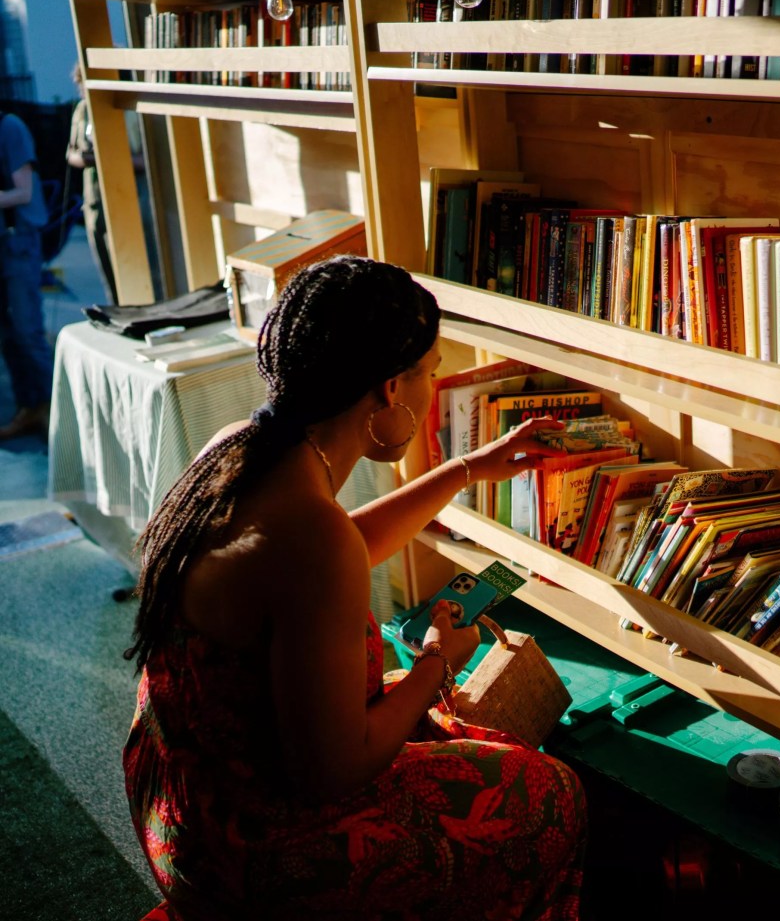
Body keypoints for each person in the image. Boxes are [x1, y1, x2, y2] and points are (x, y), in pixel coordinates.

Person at [123, 255, 587, 919]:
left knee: (436, 718)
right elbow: (333, 770)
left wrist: (465, 468)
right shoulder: (312, 537)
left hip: (177, 790)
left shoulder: (239, 449)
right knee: (551, 794)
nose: (432, 391)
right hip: (250, 848)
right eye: (430, 373)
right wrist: (435, 663)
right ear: (391, 389)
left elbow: (339, 548)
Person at [0, 109, 52, 441]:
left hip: (17, 243)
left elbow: (24, 192)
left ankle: (57, 412)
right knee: (8, 336)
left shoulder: (9, 126)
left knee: (28, 332)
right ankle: (29, 408)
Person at [66, 63, 118, 306]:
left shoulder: (124, 108)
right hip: (95, 202)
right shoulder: (82, 110)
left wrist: (106, 158)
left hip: (129, 201)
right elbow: (71, 153)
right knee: (108, 273)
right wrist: (89, 158)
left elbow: (147, 158)